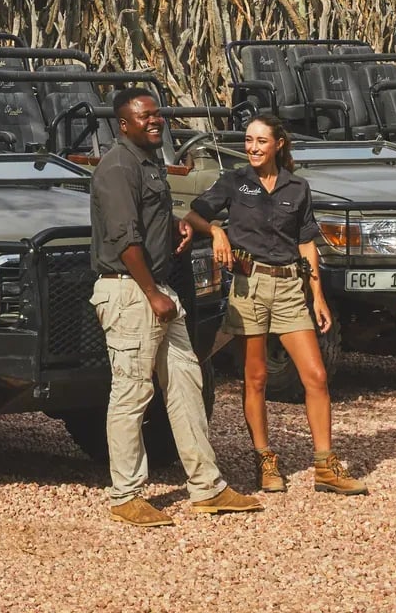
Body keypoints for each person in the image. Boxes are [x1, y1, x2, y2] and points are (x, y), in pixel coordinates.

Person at [89, 88, 262, 526]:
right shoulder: (117, 167)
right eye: (143, 116)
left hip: (159, 289)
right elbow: (124, 239)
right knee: (131, 393)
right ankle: (125, 494)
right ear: (123, 124)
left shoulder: (148, 163)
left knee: (186, 384)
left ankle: (208, 487)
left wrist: (178, 229)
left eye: (157, 114)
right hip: (132, 292)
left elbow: (147, 226)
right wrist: (152, 293)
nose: (155, 121)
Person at [186, 114, 366, 495]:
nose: (252, 147)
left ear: (278, 144)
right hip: (249, 286)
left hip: (289, 288)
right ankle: (264, 458)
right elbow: (194, 216)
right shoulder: (234, 181)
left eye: (261, 141)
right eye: (249, 140)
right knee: (256, 378)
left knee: (315, 375)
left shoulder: (297, 188)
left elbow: (306, 244)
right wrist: (217, 231)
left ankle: (325, 465)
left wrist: (317, 296)